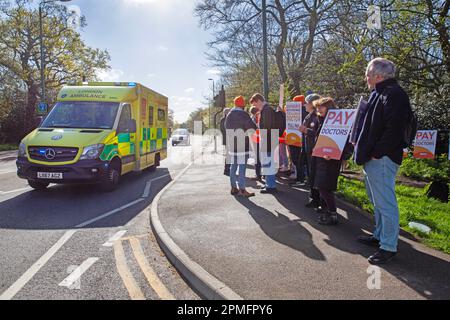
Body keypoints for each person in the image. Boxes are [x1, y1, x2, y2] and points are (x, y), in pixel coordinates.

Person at [354, 58, 412, 265]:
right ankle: (379, 235)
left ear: (379, 76)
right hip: (375, 157)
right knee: (377, 201)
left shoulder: (393, 94)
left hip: (382, 158)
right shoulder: (381, 93)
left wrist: (377, 153)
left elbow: (394, 129)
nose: (366, 78)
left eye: (368, 74)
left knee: (385, 204)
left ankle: (388, 246)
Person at [312, 97, 352, 226]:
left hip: (331, 159)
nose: (318, 109)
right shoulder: (322, 120)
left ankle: (332, 214)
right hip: (321, 158)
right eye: (317, 107)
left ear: (329, 107)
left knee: (324, 187)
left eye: (321, 106)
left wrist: (340, 156)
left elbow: (346, 141)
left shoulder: (338, 121)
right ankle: (327, 212)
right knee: (322, 186)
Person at [225, 96, 257, 197]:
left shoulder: (229, 114)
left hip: (232, 145)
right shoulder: (243, 114)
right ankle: (242, 190)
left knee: (233, 167)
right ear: (243, 105)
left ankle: (233, 188)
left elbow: (226, 127)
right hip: (242, 146)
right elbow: (251, 127)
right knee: (242, 168)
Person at [250, 93, 277, 194]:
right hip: (268, 139)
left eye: (255, 104)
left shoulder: (266, 110)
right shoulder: (266, 109)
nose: (255, 107)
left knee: (268, 163)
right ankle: (269, 184)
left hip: (268, 140)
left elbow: (267, 126)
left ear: (258, 101)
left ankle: (270, 186)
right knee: (267, 162)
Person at [299, 93, 322, 208]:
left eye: (306, 103)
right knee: (310, 175)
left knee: (314, 175)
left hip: (314, 150)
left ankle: (317, 200)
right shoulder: (309, 116)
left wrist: (306, 130)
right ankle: (313, 198)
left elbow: (318, 133)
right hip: (308, 149)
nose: (304, 105)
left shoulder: (316, 116)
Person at [288, 95, 308, 187]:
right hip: (298, 139)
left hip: (296, 139)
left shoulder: (302, 112)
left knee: (298, 160)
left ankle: (301, 179)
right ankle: (301, 178)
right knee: (299, 160)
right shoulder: (305, 112)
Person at [249, 106, 262, 181]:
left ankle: (258, 175)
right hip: (261, 138)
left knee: (257, 157)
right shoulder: (260, 116)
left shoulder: (253, 118)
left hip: (256, 139)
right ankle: (262, 174)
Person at [220, 108, 231, 176]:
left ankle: (228, 170)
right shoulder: (224, 120)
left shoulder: (227, 119)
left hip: (229, 139)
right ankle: (226, 170)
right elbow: (222, 129)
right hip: (228, 140)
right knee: (228, 155)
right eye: (229, 111)